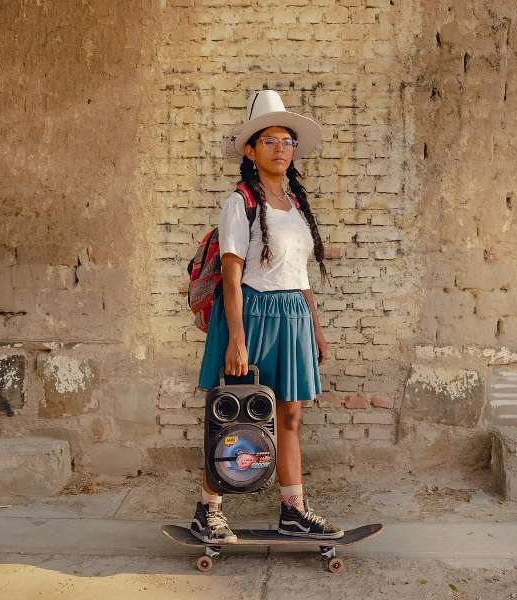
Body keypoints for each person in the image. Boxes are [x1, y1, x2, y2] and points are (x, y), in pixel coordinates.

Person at [190, 90, 343, 544]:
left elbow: (300, 277)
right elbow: (232, 276)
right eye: (270, 140)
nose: (281, 148)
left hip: (292, 315)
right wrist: (236, 338)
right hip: (251, 313)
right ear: (252, 151)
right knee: (233, 413)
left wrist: (314, 326)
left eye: (287, 141)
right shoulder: (240, 202)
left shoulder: (296, 205)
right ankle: (207, 509)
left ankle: (293, 511)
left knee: (290, 415)